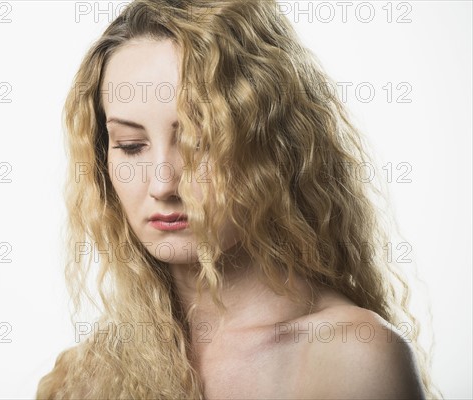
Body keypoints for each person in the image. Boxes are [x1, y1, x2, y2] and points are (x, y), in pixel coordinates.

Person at [37, 0, 441, 398]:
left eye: (200, 142)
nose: (162, 184)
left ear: (275, 145)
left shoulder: (350, 357)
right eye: (130, 145)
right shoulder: (86, 375)